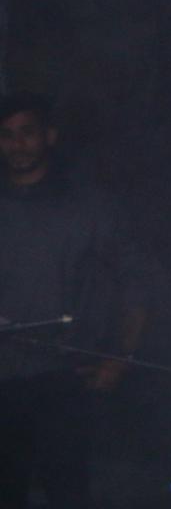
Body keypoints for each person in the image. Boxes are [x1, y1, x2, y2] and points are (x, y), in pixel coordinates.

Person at [0, 93, 155, 509]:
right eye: (7, 135)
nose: (17, 144)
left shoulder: (89, 205)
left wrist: (121, 357)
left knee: (69, 492)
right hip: (3, 380)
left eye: (27, 133)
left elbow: (137, 280)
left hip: (68, 377)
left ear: (48, 136)